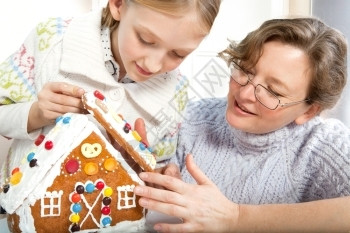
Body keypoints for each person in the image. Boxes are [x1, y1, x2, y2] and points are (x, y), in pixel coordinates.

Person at [133, 17, 350, 232]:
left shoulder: (323, 145)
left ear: (310, 111)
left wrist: (235, 218)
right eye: (246, 71)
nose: (245, 94)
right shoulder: (192, 117)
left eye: (273, 91)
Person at [0, 0, 221, 180]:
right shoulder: (51, 39)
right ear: (118, 4)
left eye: (178, 54)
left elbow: (159, 165)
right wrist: (36, 114)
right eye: (145, 39)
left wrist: (151, 170)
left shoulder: (177, 92)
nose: (154, 65)